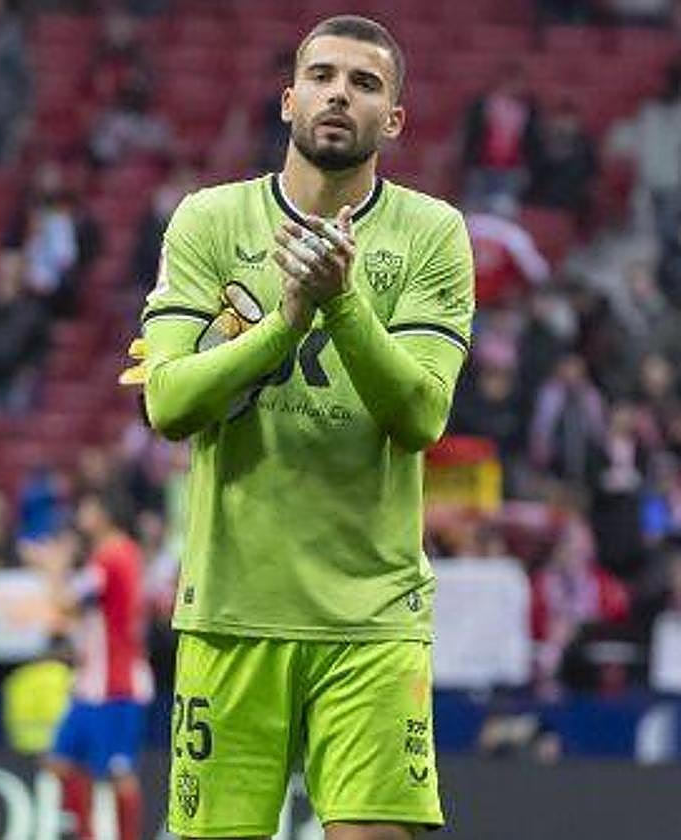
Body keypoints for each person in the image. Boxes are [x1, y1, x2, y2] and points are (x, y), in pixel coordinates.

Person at [129, 16, 475, 840]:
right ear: (288, 100)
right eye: (321, 77)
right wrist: (285, 324)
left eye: (364, 84)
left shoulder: (433, 235)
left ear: (394, 119)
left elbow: (421, 414)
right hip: (229, 617)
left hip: (371, 625)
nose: (338, 95)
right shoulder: (210, 221)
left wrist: (343, 303)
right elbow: (168, 403)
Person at [28, 488, 153, 840]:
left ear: (103, 512)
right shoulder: (120, 555)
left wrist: (52, 568)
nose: (81, 514)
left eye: (86, 506)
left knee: (118, 773)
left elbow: (64, 603)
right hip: (92, 684)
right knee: (62, 761)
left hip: (116, 685)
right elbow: (93, 615)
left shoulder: (112, 556)